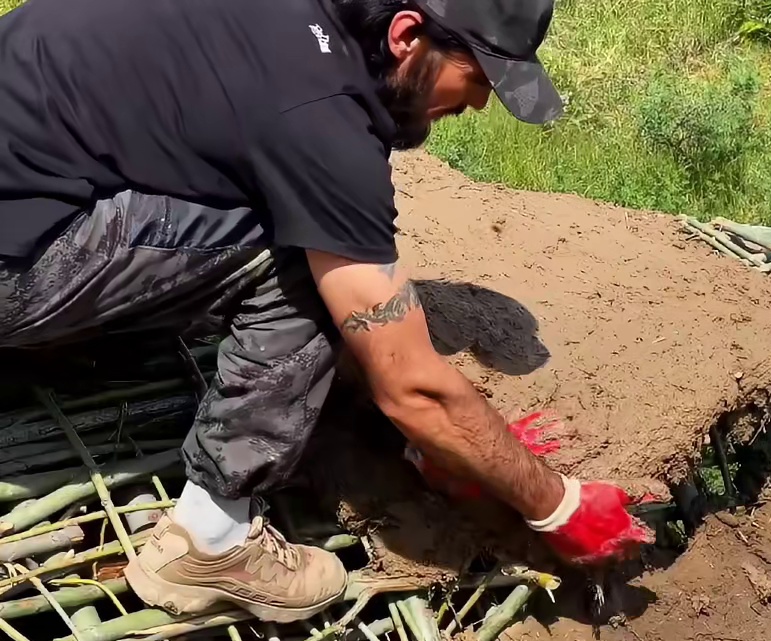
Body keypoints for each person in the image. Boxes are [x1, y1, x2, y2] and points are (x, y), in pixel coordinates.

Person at [0, 0, 654, 624]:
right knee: (302, 252)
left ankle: (65, 334)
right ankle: (210, 540)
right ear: (405, 36)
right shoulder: (322, 115)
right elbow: (414, 387)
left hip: (28, 172)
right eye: (479, 77)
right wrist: (557, 504)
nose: (479, 102)